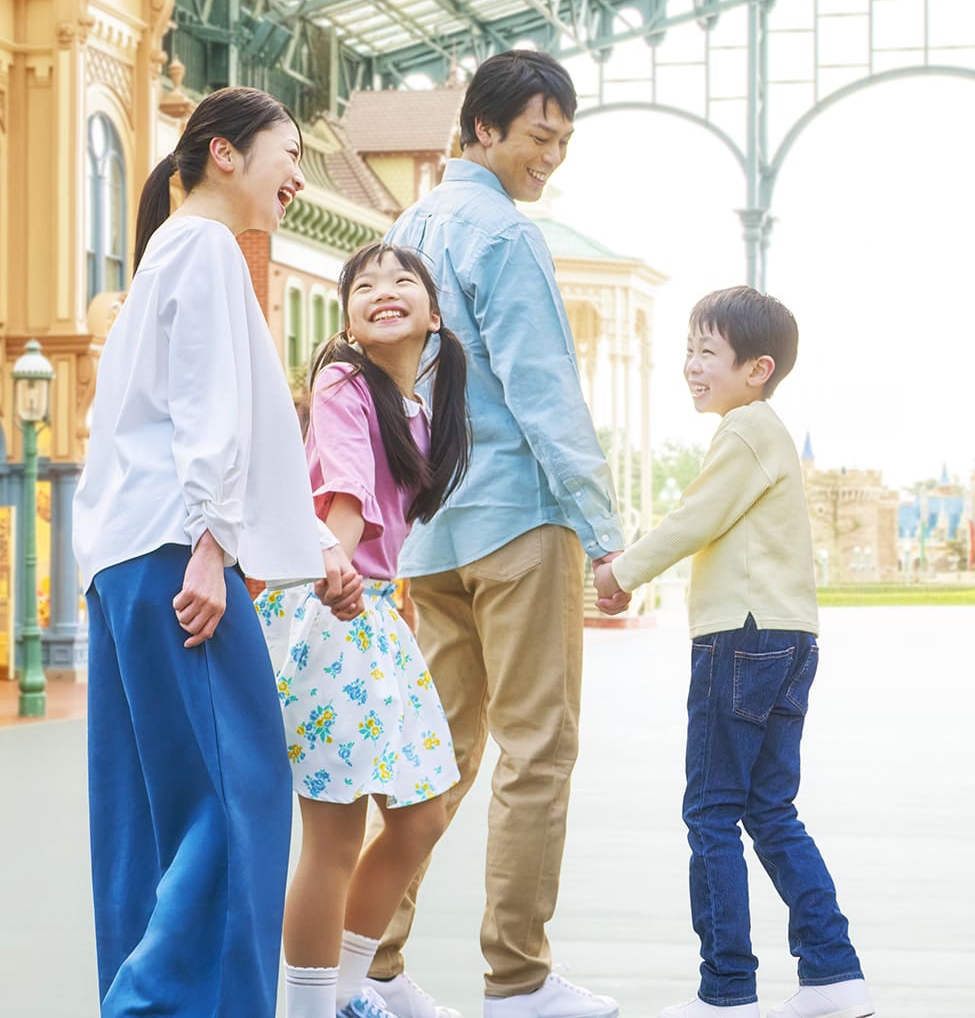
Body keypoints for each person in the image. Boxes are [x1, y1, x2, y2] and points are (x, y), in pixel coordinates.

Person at [73, 86, 343, 1017]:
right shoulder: (206, 247)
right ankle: (151, 1004)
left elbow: (164, 423)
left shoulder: (164, 255)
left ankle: (145, 994)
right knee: (241, 796)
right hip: (177, 552)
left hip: (126, 558)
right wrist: (212, 540)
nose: (298, 176)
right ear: (225, 153)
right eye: (289, 151)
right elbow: (208, 406)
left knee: (145, 817)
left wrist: (298, 538)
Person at [372, 50, 626, 1018]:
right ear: (482, 128)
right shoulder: (502, 237)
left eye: (561, 139)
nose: (550, 157)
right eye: (538, 136)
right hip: (518, 520)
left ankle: (372, 965)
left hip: (431, 536)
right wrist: (602, 530)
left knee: (432, 752)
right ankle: (516, 978)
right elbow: (543, 387)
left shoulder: (403, 233)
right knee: (537, 750)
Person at [594, 287, 872, 1018]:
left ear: (758, 367)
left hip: (740, 637)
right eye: (689, 348)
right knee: (771, 808)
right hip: (789, 638)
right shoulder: (767, 430)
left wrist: (619, 573)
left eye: (708, 351)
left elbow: (694, 518)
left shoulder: (746, 428)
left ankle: (727, 994)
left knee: (711, 812)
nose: (691, 364)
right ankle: (833, 975)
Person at [259, 243, 473, 1018]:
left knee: (422, 812)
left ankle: (350, 992)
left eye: (402, 280)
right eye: (365, 285)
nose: (384, 290)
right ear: (348, 318)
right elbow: (343, 493)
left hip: (372, 612)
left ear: (435, 313)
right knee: (335, 830)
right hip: (330, 605)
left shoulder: (419, 406)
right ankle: (313, 1008)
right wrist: (337, 565)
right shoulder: (344, 378)